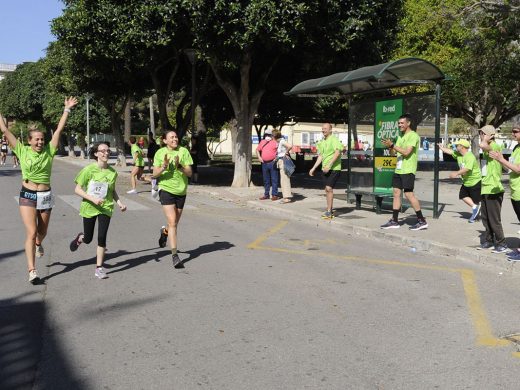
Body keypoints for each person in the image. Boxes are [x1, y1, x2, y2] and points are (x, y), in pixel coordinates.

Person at [0, 97, 78, 284]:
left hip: (45, 195)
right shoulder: (21, 149)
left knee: (42, 231)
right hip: (27, 194)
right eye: (37, 139)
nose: (40, 142)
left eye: (42, 139)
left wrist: (66, 109)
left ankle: (38, 244)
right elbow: (4, 129)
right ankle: (32, 271)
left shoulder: (49, 150)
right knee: (32, 231)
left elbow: (58, 129)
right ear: (29, 141)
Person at [69, 143, 127, 279]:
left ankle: (99, 268)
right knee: (88, 239)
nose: (106, 153)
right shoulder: (88, 170)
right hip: (90, 207)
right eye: (102, 151)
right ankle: (81, 238)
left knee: (102, 237)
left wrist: (119, 203)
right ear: (96, 154)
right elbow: (77, 189)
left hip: (106, 208)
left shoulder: (113, 172)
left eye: (108, 151)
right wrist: (92, 199)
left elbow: (112, 191)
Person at [152, 130, 193, 268]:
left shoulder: (183, 151)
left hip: (181, 191)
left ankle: (164, 233)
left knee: (174, 223)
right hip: (166, 189)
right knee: (173, 222)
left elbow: (189, 173)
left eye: (176, 136)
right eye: (172, 137)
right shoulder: (160, 153)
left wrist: (180, 166)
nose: (175, 139)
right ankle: (175, 255)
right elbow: (154, 174)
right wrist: (163, 166)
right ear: (165, 140)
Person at [380, 114, 428, 230]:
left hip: (408, 170)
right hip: (399, 169)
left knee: (408, 194)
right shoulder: (400, 137)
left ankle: (421, 220)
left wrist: (393, 145)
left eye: (402, 123)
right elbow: (394, 154)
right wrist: (390, 147)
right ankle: (394, 221)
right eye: (399, 123)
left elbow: (406, 152)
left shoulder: (413, 136)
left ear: (408, 123)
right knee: (396, 193)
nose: (399, 125)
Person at [489, 122, 520, 259]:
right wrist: (500, 161)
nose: (513, 133)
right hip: (515, 191)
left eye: (516, 131)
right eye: (513, 131)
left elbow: (518, 169)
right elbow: (511, 167)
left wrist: (501, 159)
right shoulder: (516, 147)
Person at [476, 125, 507, 253]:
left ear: (490, 135)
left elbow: (483, 145)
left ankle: (502, 243)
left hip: (494, 188)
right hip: (486, 187)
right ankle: (489, 240)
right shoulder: (489, 145)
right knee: (486, 218)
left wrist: (487, 137)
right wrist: (485, 137)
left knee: (494, 219)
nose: (481, 136)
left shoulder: (494, 146)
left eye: (482, 133)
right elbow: (482, 146)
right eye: (480, 134)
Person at [437, 139, 481, 222]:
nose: (455, 146)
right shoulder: (459, 154)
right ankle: (475, 209)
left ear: (462, 147)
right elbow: (450, 152)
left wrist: (456, 173)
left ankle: (475, 216)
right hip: (466, 181)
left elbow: (467, 169)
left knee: (475, 201)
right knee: (462, 195)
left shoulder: (470, 156)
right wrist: (442, 148)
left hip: (475, 181)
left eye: (457, 145)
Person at [309, 123, 343, 219]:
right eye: (322, 129)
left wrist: (330, 164)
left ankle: (329, 211)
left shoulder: (334, 139)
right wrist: (313, 168)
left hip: (334, 168)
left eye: (325, 128)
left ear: (330, 130)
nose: (323, 130)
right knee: (327, 190)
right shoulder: (322, 142)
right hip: (324, 169)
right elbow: (321, 156)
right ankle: (329, 209)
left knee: (329, 188)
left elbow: (337, 152)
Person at [256, 128, 280, 200]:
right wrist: (259, 157)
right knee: (266, 180)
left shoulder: (275, 142)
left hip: (272, 163)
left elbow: (280, 151)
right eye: (266, 134)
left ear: (272, 135)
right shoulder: (262, 141)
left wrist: (276, 157)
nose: (267, 136)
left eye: (269, 135)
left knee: (274, 179)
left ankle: (274, 195)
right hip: (264, 163)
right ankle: (266, 194)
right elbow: (257, 150)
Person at [273, 129, 293, 203]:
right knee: (283, 179)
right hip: (280, 160)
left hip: (283, 161)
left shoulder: (282, 141)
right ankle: (286, 196)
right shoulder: (279, 142)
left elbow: (290, 146)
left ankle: (287, 197)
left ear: (274, 136)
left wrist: (286, 153)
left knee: (285, 179)